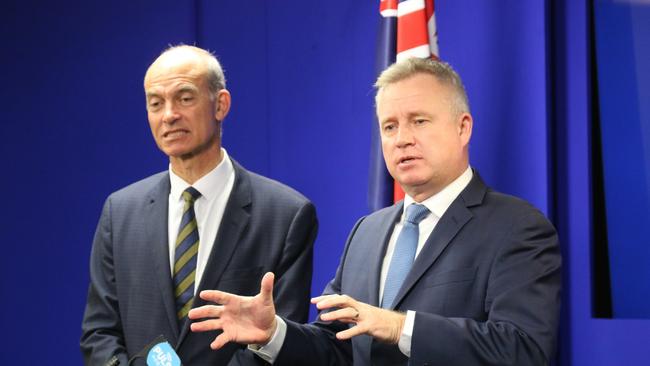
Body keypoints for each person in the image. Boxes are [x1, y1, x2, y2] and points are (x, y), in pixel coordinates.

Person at [188, 58, 562, 365]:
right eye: (390, 126)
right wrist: (274, 333)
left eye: (419, 121)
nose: (402, 139)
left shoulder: (517, 228)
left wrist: (400, 327)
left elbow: (524, 350)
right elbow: (336, 349)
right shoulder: (366, 232)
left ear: (463, 128)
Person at [80, 45, 318, 366]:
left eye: (185, 98)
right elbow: (99, 333)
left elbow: (279, 341)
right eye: (156, 103)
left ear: (220, 105)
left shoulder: (285, 215)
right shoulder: (119, 211)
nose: (169, 115)